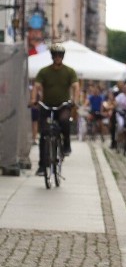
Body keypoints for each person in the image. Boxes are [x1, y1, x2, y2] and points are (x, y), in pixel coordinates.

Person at [30, 43, 79, 175]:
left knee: (64, 121)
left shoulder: (69, 71)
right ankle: (42, 165)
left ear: (62, 57)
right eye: (55, 55)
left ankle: (67, 144)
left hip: (63, 105)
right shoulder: (44, 71)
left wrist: (75, 100)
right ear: (52, 56)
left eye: (60, 55)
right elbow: (36, 86)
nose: (57, 57)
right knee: (44, 134)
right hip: (47, 105)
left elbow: (75, 86)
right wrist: (34, 100)